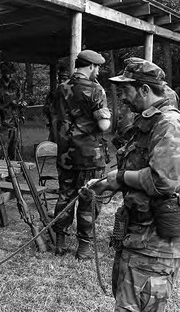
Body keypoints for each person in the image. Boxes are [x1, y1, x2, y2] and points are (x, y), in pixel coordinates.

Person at [89, 57, 180, 312]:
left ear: (144, 90)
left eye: (125, 89)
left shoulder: (167, 124)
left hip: (154, 246)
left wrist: (119, 178)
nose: (122, 97)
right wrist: (108, 183)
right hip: (138, 238)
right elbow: (140, 170)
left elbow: (163, 181)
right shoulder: (146, 122)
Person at [50, 50, 111, 259]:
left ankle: (60, 241)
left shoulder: (60, 88)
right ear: (91, 67)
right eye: (98, 67)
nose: (99, 71)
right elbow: (103, 125)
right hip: (89, 155)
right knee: (88, 198)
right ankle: (84, 247)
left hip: (65, 153)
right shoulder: (96, 89)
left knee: (65, 194)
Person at [0, 62, 26, 160]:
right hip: (1, 125)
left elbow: (20, 100)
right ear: (2, 73)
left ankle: (12, 175)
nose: (11, 76)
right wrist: (7, 104)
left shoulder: (16, 86)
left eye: (12, 73)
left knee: (14, 153)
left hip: (15, 124)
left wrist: (21, 106)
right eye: (8, 73)